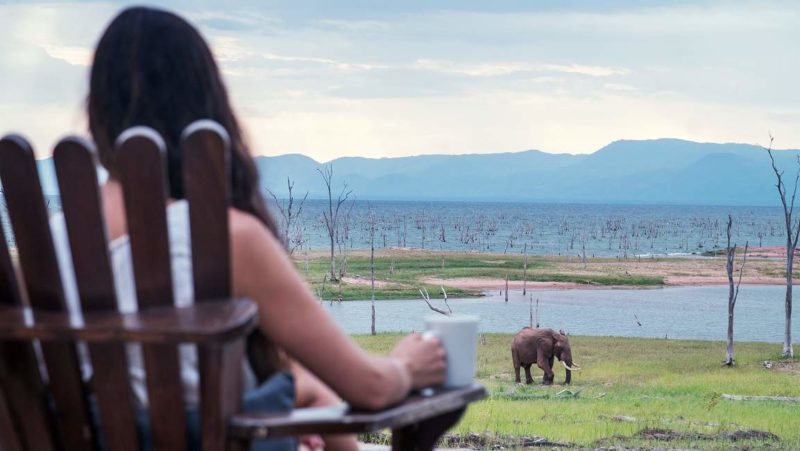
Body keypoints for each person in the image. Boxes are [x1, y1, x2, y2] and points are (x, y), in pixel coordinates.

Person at [52, 6, 446, 451]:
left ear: (96, 110)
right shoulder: (228, 238)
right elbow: (370, 389)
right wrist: (408, 367)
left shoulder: (44, 246)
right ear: (206, 103)